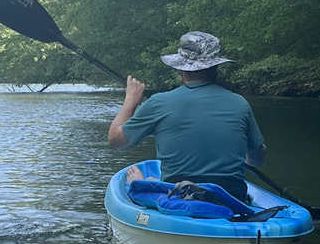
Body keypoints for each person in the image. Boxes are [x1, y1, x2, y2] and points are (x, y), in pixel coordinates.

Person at [108, 31, 266, 201]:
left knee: (149, 182)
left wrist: (131, 101)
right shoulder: (240, 103)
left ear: (180, 67)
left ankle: (144, 182)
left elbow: (116, 140)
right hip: (231, 198)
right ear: (216, 66)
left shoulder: (159, 103)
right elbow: (256, 159)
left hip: (180, 197)